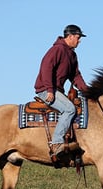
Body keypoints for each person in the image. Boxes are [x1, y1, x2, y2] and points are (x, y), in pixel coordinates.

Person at [34, 24, 88, 158]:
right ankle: (57, 143)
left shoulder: (72, 55)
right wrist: (49, 90)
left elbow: (75, 76)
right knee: (70, 109)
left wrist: (88, 91)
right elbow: (46, 68)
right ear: (70, 37)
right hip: (46, 90)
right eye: (78, 37)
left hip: (56, 90)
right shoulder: (57, 50)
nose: (79, 40)